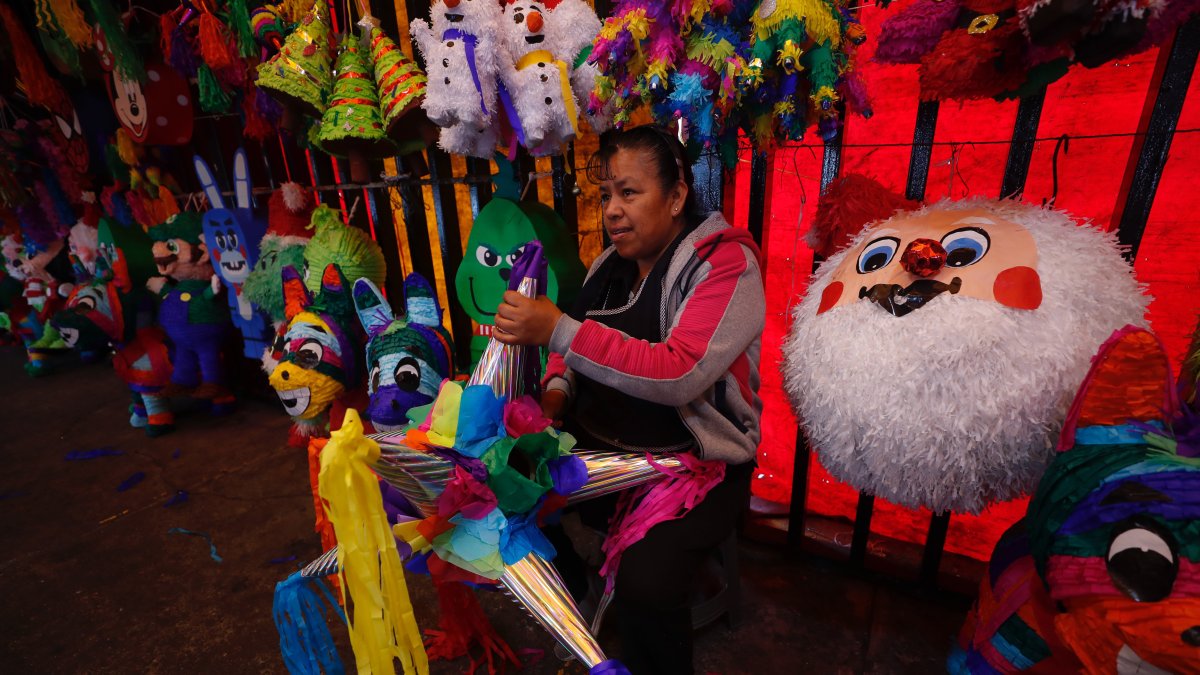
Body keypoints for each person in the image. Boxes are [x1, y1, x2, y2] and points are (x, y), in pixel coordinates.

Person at [493, 125, 765, 674]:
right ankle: (579, 598)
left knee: (648, 584)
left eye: (629, 192)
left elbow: (681, 371)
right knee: (502, 494)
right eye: (605, 197)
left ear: (677, 195)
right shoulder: (605, 268)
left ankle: (634, 615)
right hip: (603, 450)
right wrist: (553, 397)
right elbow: (568, 355)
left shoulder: (725, 265)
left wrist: (558, 330)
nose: (612, 211)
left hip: (693, 469)